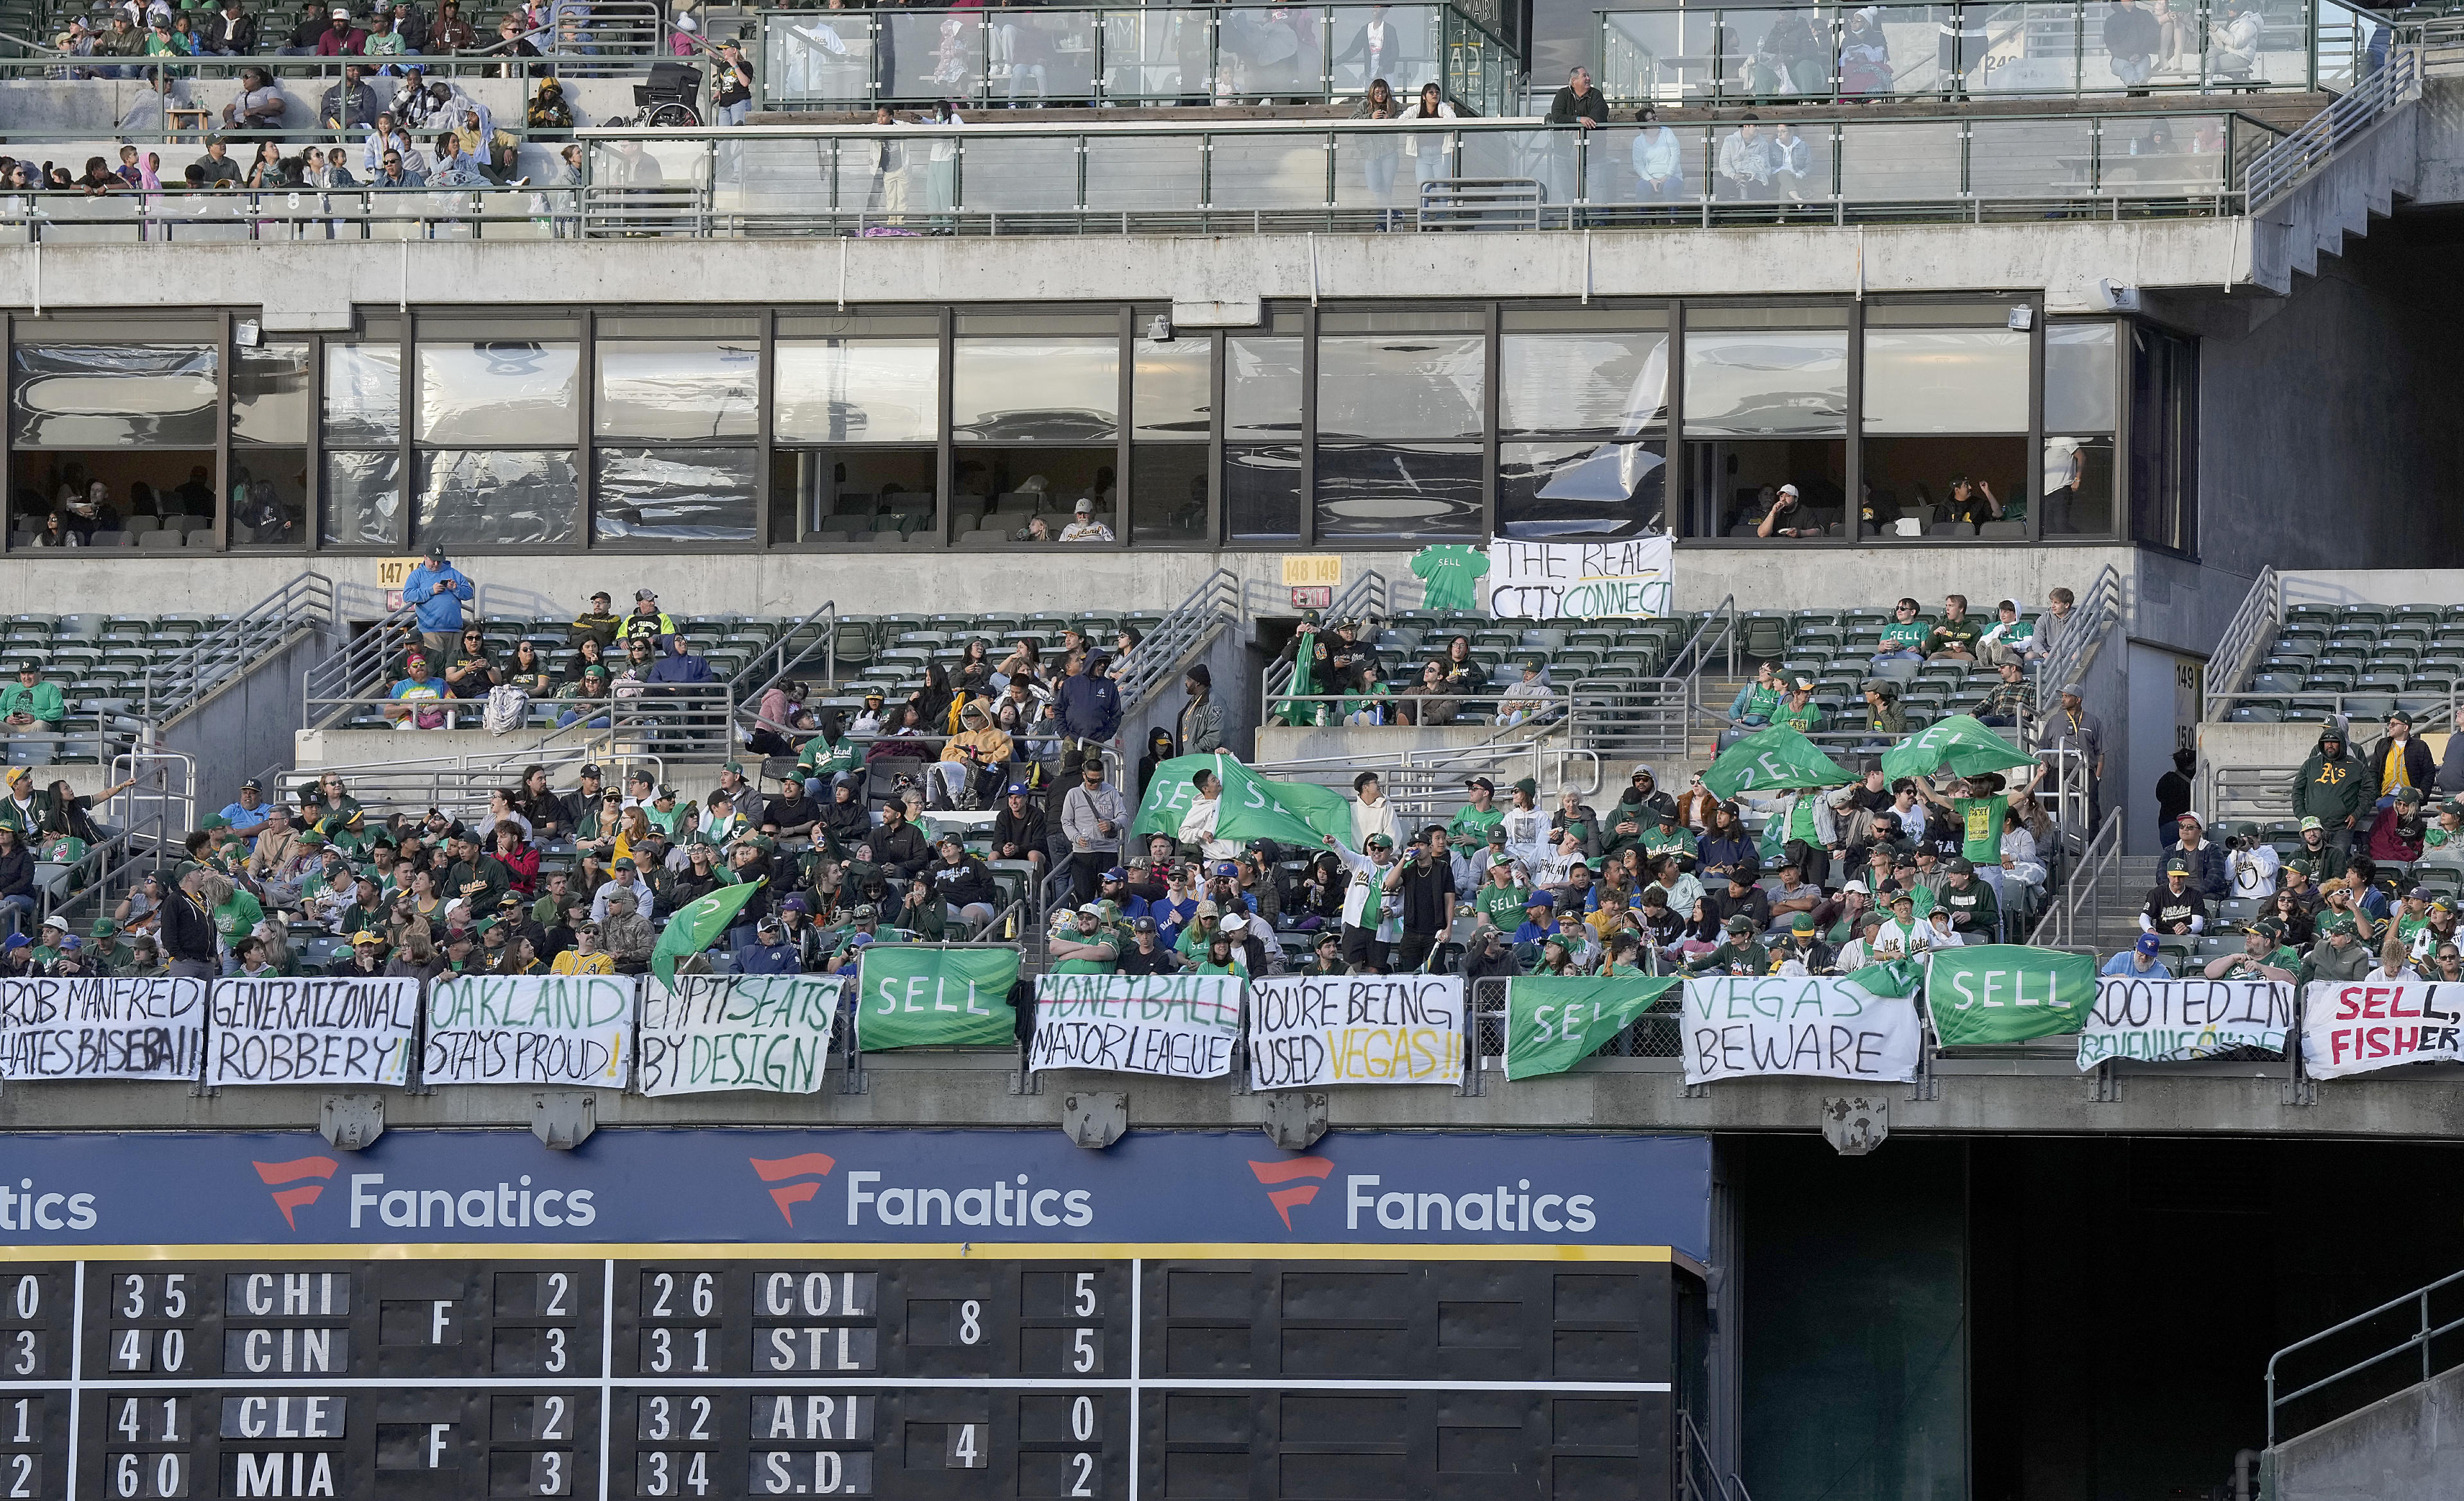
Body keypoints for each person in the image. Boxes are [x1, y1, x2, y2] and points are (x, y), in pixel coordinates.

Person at [404, 542, 475, 668]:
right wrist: (431, 591)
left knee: (455, 668)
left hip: (454, 631)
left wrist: (455, 588)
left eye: (439, 561)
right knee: (435, 668)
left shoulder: (453, 573)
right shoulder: (417, 575)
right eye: (433, 561)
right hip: (430, 632)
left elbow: (469, 593)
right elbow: (408, 596)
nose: (436, 564)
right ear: (425, 557)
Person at [2101, 931, 2172, 978]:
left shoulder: (2162, 972)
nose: (2144, 958)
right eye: (2141, 953)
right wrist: (2111, 978)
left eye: (2149, 956)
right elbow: (2100, 980)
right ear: (2136, 948)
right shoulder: (2120, 959)